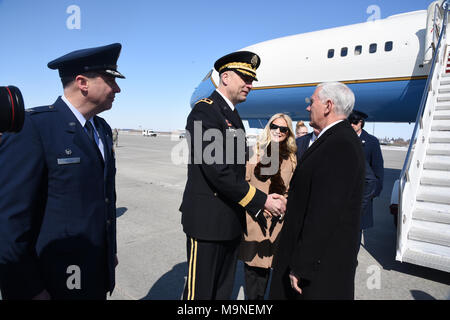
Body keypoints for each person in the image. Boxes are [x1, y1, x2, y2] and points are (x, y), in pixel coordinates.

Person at [0, 43, 124, 300]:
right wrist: (30, 290)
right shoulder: (33, 129)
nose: (117, 88)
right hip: (52, 283)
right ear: (83, 83)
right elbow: (9, 223)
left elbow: (103, 200)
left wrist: (108, 252)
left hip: (94, 274)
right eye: (111, 80)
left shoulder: (101, 130)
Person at [179, 51, 287, 300]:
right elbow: (218, 172)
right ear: (225, 77)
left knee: (221, 292)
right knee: (200, 295)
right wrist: (262, 201)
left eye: (252, 80)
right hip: (207, 223)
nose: (250, 85)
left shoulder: (234, 117)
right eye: (245, 78)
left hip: (229, 221)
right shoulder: (204, 112)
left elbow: (237, 171)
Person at [269, 82, 365, 300]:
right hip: (318, 261)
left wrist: (302, 265)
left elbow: (325, 214)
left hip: (318, 268)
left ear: (328, 106)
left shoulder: (340, 144)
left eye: (311, 102)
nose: (308, 108)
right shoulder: (336, 139)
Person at [239, 113, 297, 300]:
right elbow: (242, 185)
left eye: (283, 129)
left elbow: (292, 189)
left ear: (288, 133)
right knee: (254, 275)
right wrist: (260, 202)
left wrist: (285, 202)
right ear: (268, 127)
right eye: (275, 126)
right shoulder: (255, 151)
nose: (278, 131)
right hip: (255, 219)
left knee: (274, 274)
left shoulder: (292, 158)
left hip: (278, 223)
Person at [348, 110, 384, 242]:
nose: (351, 124)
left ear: (361, 123)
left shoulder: (371, 142)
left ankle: (351, 260)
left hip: (363, 193)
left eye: (355, 122)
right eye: (349, 122)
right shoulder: (344, 138)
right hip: (345, 192)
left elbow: (378, 167)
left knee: (357, 229)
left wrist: (374, 192)